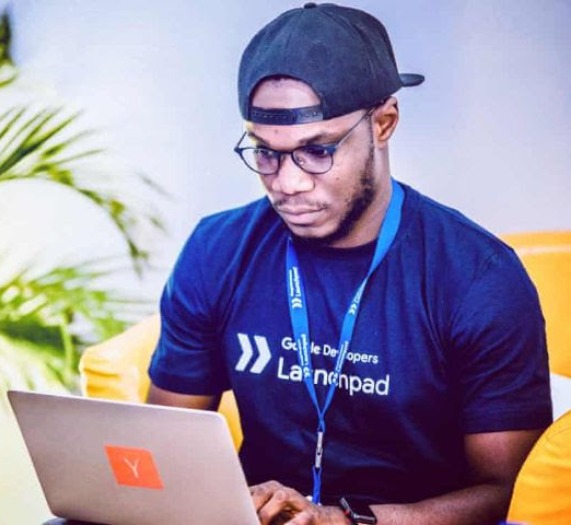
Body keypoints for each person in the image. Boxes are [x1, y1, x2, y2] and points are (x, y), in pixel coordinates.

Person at [146, 3, 553, 524]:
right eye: (265, 152)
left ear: (383, 124)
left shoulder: (478, 278)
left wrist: (341, 520)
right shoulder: (217, 250)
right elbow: (163, 451)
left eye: (318, 151)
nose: (287, 183)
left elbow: (502, 495)